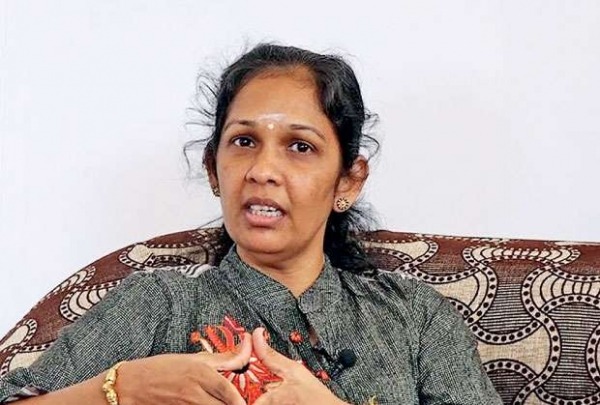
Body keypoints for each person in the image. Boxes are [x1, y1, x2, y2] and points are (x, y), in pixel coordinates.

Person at [0, 43, 502, 405]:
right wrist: (121, 388)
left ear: (348, 181)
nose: (263, 170)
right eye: (243, 142)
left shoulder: (412, 317)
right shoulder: (158, 304)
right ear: (213, 169)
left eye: (300, 147)